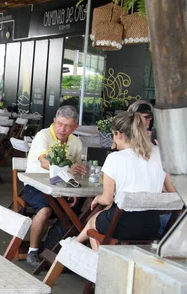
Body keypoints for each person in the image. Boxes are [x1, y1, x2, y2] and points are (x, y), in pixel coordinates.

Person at [75, 112, 176, 250]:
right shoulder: (160, 155)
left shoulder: (115, 158)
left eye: (113, 136)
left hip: (122, 225)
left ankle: (87, 255)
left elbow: (107, 199)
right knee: (98, 221)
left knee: (93, 223)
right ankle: (74, 244)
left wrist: (97, 198)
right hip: (152, 226)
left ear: (119, 134)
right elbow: (173, 192)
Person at [24, 105, 87, 268]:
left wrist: (74, 188)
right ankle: (33, 251)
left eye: (68, 126)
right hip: (35, 184)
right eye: (59, 124)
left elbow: (77, 170)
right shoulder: (43, 136)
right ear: (54, 121)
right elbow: (44, 162)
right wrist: (68, 169)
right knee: (46, 210)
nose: (62, 129)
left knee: (77, 211)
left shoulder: (76, 142)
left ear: (75, 127)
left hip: (61, 187)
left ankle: (53, 251)